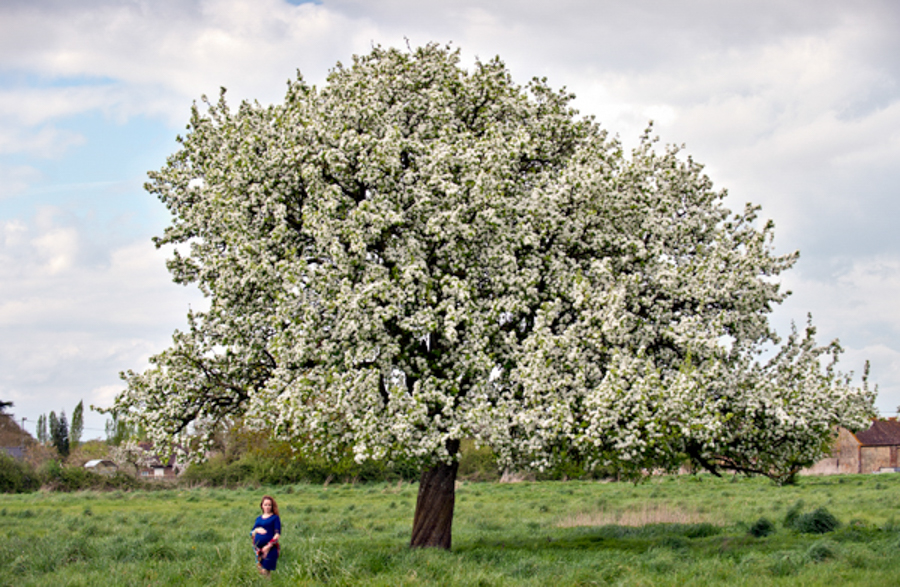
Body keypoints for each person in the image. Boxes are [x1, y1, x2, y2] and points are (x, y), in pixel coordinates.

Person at [250, 495, 281, 576]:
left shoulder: (275, 518)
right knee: (260, 572)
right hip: (258, 550)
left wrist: (267, 547)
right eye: (265, 505)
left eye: (269, 505)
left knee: (265, 572)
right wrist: (257, 530)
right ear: (262, 506)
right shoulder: (258, 518)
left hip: (270, 548)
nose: (267, 507)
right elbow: (251, 533)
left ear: (272, 506)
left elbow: (277, 535)